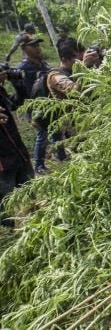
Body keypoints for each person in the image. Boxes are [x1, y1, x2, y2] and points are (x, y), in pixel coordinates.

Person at [33, 41, 98, 174]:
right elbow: (74, 92)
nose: (80, 62)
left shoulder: (74, 71)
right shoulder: (55, 76)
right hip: (68, 126)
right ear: (64, 59)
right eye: (78, 59)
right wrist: (85, 67)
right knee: (84, 164)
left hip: (83, 123)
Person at [0, 71, 34, 227]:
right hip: (2, 164)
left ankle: (37, 226)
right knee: (4, 206)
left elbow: (18, 103)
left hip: (17, 153)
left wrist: (17, 83)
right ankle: (9, 238)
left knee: (31, 194)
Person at [11, 38, 50, 105]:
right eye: (33, 46)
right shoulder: (22, 68)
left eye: (38, 45)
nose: (37, 48)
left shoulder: (43, 63)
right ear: (23, 48)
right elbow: (23, 94)